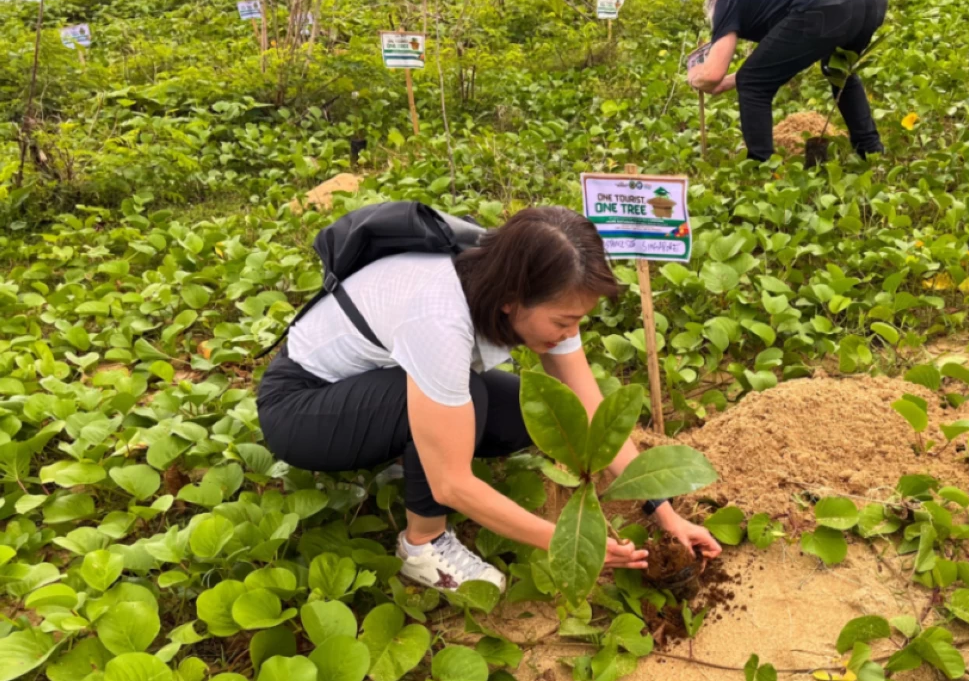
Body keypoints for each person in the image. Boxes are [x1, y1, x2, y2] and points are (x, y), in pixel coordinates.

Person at [257, 206, 721, 592]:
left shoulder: (527, 282)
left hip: (370, 381)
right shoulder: (439, 315)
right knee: (466, 398)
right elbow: (452, 485)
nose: (570, 334)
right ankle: (423, 546)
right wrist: (572, 544)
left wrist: (663, 511)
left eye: (578, 319)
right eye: (564, 321)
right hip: (299, 408)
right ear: (511, 301)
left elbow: (591, 410)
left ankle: (404, 452)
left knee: (531, 414)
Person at [688, 0, 888, 161]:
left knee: (754, 83)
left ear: (714, 6)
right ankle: (871, 152)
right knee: (840, 72)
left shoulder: (726, 1)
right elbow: (777, 60)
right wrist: (728, 82)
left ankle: (761, 167)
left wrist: (695, 77)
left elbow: (711, 75)